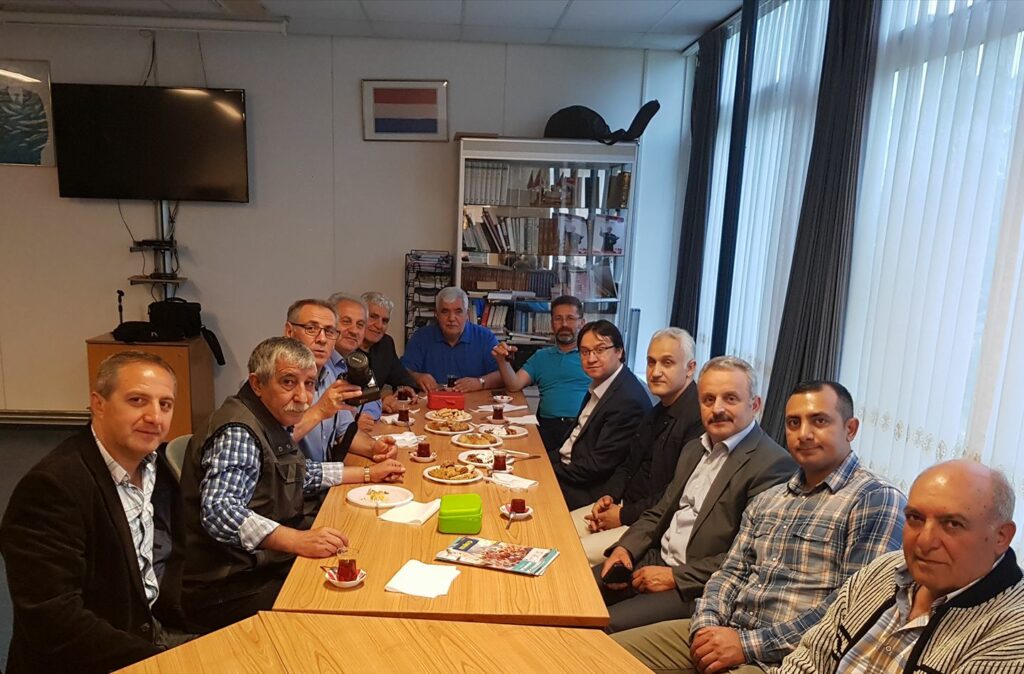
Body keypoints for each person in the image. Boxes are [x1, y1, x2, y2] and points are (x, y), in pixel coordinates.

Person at [614, 380, 907, 674]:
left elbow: (851, 613)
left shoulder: (875, 500)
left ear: (850, 428)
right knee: (595, 654)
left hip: (782, 659)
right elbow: (729, 573)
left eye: (819, 421)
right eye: (794, 423)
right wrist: (706, 627)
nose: (804, 434)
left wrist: (746, 645)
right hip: (723, 631)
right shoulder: (770, 499)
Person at [179, 337, 404, 632]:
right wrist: (295, 540)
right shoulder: (239, 431)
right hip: (228, 586)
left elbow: (298, 472)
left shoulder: (268, 419)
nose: (303, 397)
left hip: (260, 566)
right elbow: (220, 511)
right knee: (344, 609)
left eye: (309, 384)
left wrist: (366, 476)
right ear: (257, 384)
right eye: (288, 382)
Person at [0, 352, 187, 673]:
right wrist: (160, 662)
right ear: (98, 404)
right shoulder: (52, 488)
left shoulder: (155, 468)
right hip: (88, 658)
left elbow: (172, 557)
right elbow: (53, 621)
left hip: (147, 629)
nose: (155, 417)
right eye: (137, 400)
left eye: (165, 404)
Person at [594, 355, 794, 631]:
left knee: (602, 627)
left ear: (755, 405)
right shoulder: (694, 449)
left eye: (731, 399)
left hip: (695, 586)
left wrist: (676, 576)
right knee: (574, 592)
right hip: (654, 559)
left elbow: (749, 558)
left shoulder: (773, 464)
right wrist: (625, 548)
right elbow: (659, 512)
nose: (718, 408)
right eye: (708, 399)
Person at [781, 460, 1024, 674]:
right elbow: (809, 660)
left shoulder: (1013, 632)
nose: (925, 542)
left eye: (952, 524)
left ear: (1002, 536)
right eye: (915, 518)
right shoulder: (884, 570)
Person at [572, 328, 706, 565]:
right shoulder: (658, 410)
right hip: (624, 508)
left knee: (570, 552)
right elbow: (628, 465)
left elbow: (675, 495)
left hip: (650, 525)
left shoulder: (698, 420)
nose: (655, 372)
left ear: (691, 368)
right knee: (558, 529)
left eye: (667, 363)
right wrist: (608, 498)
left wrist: (622, 516)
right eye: (651, 362)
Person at [551, 319, 651, 511]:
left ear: (619, 351)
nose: (591, 358)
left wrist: (547, 472)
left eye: (600, 350)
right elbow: (572, 442)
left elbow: (597, 466)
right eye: (585, 352)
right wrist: (539, 459)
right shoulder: (602, 383)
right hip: (571, 470)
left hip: (591, 491)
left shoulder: (627, 400)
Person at [283, 298, 396, 464]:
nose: (322, 339)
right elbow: (272, 445)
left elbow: (345, 431)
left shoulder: (329, 375)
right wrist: (320, 411)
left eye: (329, 331)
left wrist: (375, 447)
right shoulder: (270, 379)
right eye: (311, 329)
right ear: (289, 331)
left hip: (325, 480)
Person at [491, 295, 591, 451]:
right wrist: (501, 361)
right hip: (548, 429)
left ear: (582, 323)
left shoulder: (591, 357)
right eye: (558, 319)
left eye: (570, 318)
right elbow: (514, 385)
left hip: (584, 430)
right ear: (552, 324)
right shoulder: (541, 357)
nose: (564, 324)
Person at [402, 286, 502, 392]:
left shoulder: (485, 337)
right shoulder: (420, 338)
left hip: (473, 403)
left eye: (458, 311)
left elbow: (503, 375)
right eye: (445, 312)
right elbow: (402, 371)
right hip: (433, 403)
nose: (451, 318)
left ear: (467, 314)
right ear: (436, 314)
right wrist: (418, 377)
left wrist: (480, 382)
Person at [327, 292, 383, 426]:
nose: (354, 331)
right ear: (330, 324)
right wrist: (352, 418)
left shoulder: (356, 359)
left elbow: (374, 398)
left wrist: (365, 415)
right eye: (346, 322)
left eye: (360, 325)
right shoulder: (319, 361)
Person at [360, 290, 420, 413]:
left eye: (385, 321)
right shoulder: (346, 347)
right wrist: (380, 399)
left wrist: (405, 388)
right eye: (373, 317)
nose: (379, 325)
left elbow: (401, 377)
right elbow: (349, 395)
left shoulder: (385, 343)